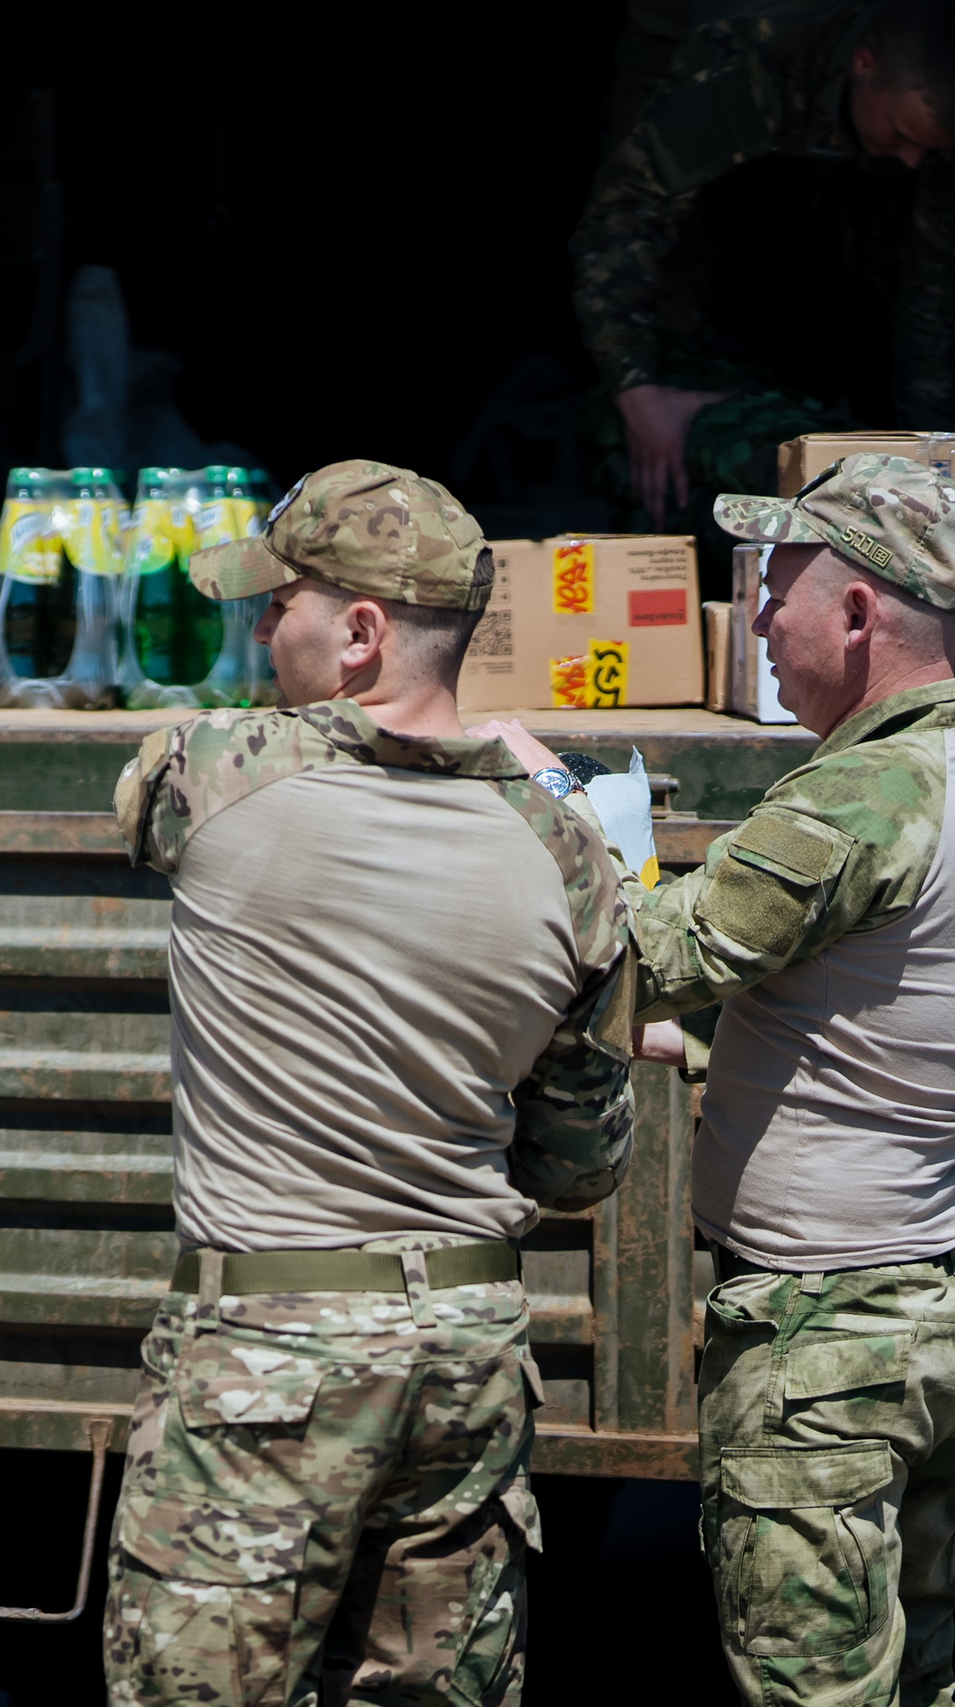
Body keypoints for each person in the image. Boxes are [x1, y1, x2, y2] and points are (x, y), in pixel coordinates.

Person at [105, 461, 634, 1707]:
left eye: (277, 604)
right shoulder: (569, 850)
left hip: (267, 1360)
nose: (258, 630)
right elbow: (578, 1166)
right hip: (466, 1355)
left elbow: (150, 800)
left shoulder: (214, 767)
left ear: (358, 633)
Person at [479, 452, 955, 1707]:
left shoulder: (869, 791)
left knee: (815, 1688)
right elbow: (887, 1010)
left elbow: (645, 954)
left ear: (859, 615)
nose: (754, 620)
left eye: (777, 591)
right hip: (926, 1301)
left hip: (826, 1333)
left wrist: (543, 792)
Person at [573, 0, 955, 539]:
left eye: (927, 147)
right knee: (672, 310)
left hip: (821, 157)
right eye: (900, 134)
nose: (913, 158)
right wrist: (638, 391)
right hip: (685, 40)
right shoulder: (746, 65)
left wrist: (931, 453)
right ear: (865, 63)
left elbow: (932, 294)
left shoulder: (925, 121)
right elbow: (626, 217)